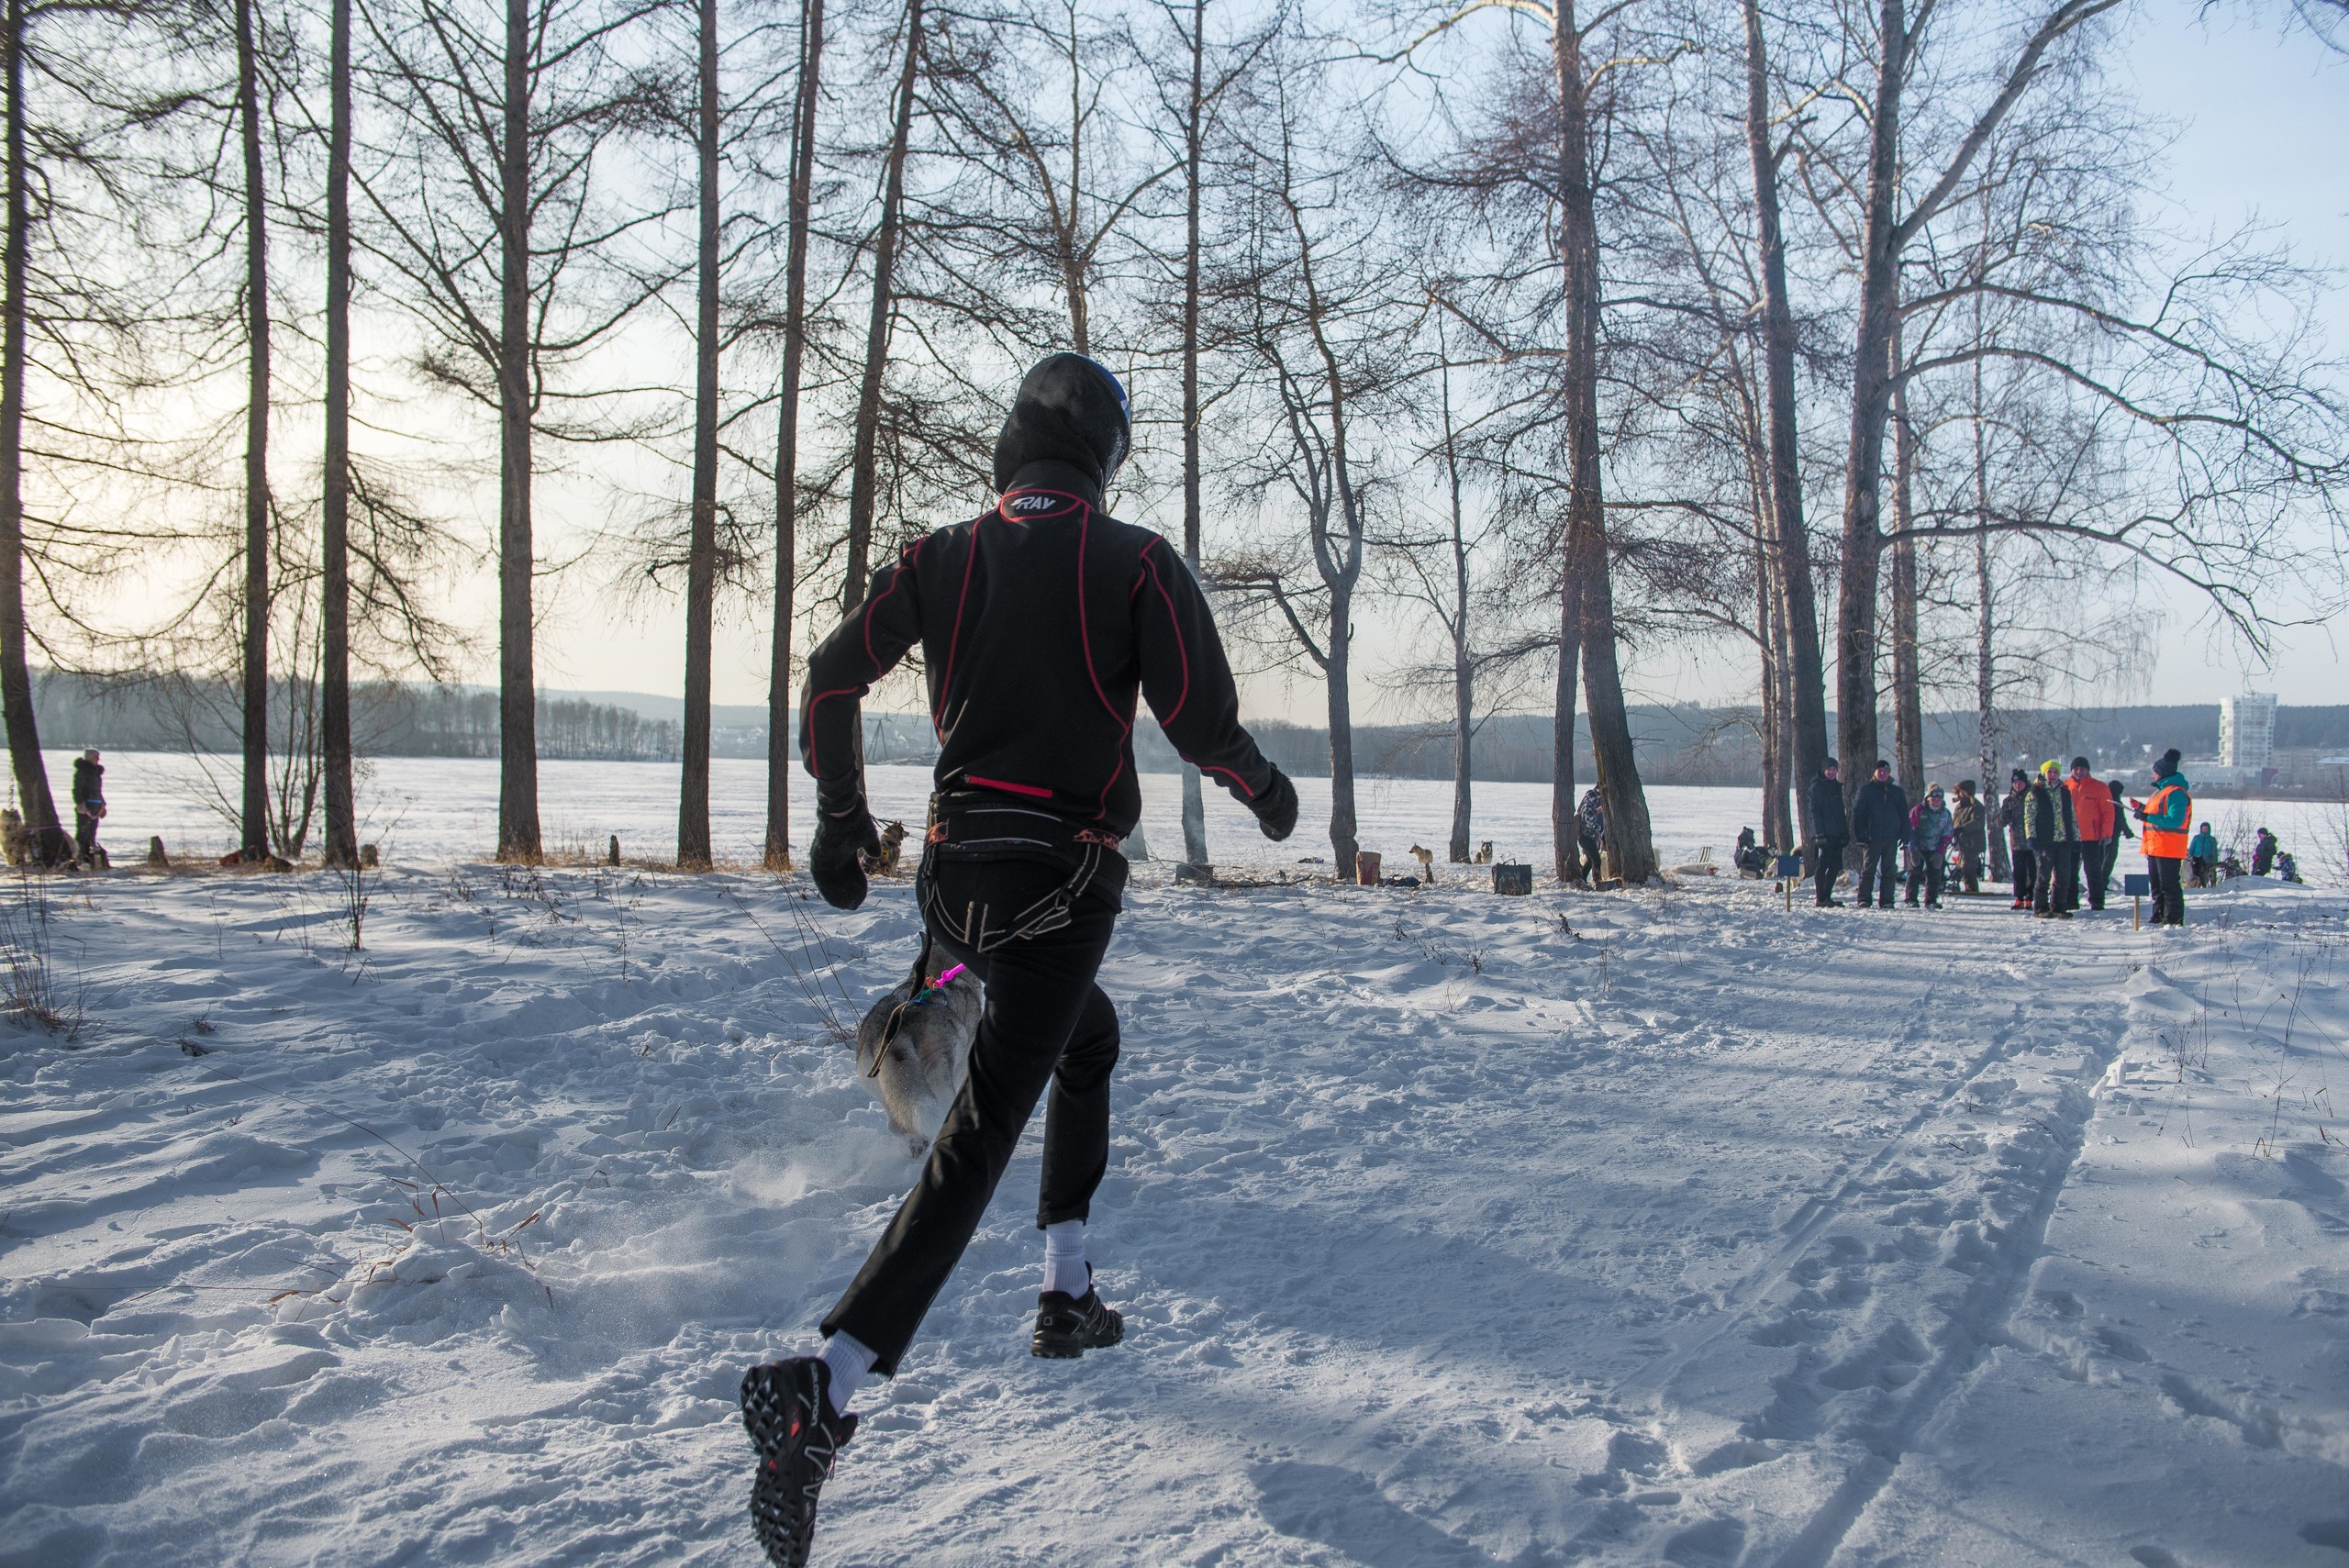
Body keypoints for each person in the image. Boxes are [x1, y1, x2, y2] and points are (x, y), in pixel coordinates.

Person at [739, 354, 1297, 1568]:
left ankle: (1066, 1289)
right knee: (984, 1129)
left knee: (1086, 1039)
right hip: (1062, 884)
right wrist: (1266, 791)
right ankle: (823, 1388)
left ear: (1014, 443)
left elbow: (829, 677)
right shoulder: (1135, 561)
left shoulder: (941, 555)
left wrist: (840, 820)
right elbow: (1202, 724)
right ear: (1104, 455)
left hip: (957, 888)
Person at [2130, 747, 2192, 927]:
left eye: (2155, 771)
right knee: (2157, 886)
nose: (2153, 774)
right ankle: (2158, 915)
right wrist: (2142, 808)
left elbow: (2175, 820)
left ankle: (2173, 920)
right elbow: (2157, 813)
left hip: (2169, 847)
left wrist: (2146, 817)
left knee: (2169, 886)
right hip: (2155, 846)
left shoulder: (2176, 793)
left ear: (2162, 773)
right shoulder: (2160, 792)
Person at [1849, 759, 1909, 910]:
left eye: (1885, 771)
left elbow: (1904, 815)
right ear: (1875, 772)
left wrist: (1905, 835)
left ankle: (1887, 900)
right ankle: (1864, 899)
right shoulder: (1866, 791)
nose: (1882, 773)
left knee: (1889, 870)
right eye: (1880, 770)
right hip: (1871, 837)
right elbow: (1857, 814)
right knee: (1868, 870)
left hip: (1891, 837)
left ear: (1889, 773)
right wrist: (1860, 835)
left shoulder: (1897, 792)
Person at [2025, 760, 2079, 918]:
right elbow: (2029, 816)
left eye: (2056, 772)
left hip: (2063, 841)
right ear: (2044, 773)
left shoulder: (2064, 791)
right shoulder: (2036, 791)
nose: (2053, 775)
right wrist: (2031, 836)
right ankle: (2040, 907)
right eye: (2050, 772)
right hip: (2044, 841)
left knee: (2063, 876)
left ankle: (2058, 907)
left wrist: (2076, 838)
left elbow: (2072, 817)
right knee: (2043, 876)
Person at [2066, 757, 2117, 911]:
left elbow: (2108, 812)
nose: (2079, 771)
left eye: (2082, 768)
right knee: (2069, 870)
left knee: (2093, 871)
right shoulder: (2065, 787)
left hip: (2092, 837)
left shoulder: (2099, 787)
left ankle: (2097, 900)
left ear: (2088, 770)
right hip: (2070, 837)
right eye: (2076, 769)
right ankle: (2070, 900)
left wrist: (2106, 833)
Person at [1806, 758, 1848, 906]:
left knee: (1835, 866)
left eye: (1834, 769)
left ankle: (1827, 896)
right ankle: (1820, 898)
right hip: (1823, 835)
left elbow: (1840, 812)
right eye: (1829, 769)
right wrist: (1818, 834)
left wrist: (1844, 832)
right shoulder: (1816, 787)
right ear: (1824, 770)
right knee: (1822, 866)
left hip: (1836, 834)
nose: (1831, 772)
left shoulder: (1837, 787)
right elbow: (1814, 812)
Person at [1905, 784, 1954, 908]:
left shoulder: (1946, 814)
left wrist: (1940, 851)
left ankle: (1931, 900)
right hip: (1918, 847)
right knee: (1915, 872)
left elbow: (1948, 834)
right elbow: (1910, 830)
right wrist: (1913, 849)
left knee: (1934, 874)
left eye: (1939, 800)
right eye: (1933, 799)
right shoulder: (1918, 810)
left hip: (1935, 848)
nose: (1936, 802)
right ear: (1928, 799)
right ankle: (1911, 899)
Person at [1998, 770, 2035, 910]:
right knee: (2019, 872)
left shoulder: (2033, 797)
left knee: (2032, 871)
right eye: (2015, 782)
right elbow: (2000, 822)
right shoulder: (2009, 800)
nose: (2018, 785)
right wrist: (2003, 815)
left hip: (2032, 841)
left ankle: (2030, 897)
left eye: (2020, 782)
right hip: (2017, 843)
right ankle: (2019, 897)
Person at [1950, 780, 1986, 895]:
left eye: (1963, 792)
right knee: (1961, 865)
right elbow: (1955, 821)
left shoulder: (1976, 806)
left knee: (1967, 867)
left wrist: (1963, 828)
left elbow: (1977, 822)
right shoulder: (1959, 807)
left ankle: (1972, 889)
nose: (1960, 794)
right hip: (1962, 842)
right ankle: (1966, 887)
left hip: (1973, 842)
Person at [71, 749, 105, 867]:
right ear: (90, 758)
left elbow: (98, 791)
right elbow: (77, 789)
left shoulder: (96, 773)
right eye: (96, 757)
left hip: (96, 807)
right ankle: (79, 858)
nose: (98, 759)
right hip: (85, 807)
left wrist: (103, 805)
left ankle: (90, 860)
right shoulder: (82, 772)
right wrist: (80, 803)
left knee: (92, 835)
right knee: (82, 834)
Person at [1575, 784, 1606, 884]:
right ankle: (1597, 880)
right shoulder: (1588, 810)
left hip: (1586, 838)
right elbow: (1591, 824)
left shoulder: (1587, 807)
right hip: (1586, 839)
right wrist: (1600, 828)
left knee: (1589, 861)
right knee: (1597, 860)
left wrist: (1598, 811)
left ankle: (1582, 879)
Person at [2188, 821, 2219, 887]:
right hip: (2196, 860)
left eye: (2206, 828)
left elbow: (2214, 851)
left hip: (2207, 860)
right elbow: (2191, 848)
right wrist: (2190, 857)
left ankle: (2208, 887)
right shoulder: (2196, 838)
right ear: (2201, 829)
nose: (2205, 830)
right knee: (2195, 875)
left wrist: (2214, 861)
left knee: (2206, 875)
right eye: (2203, 828)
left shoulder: (2212, 839)